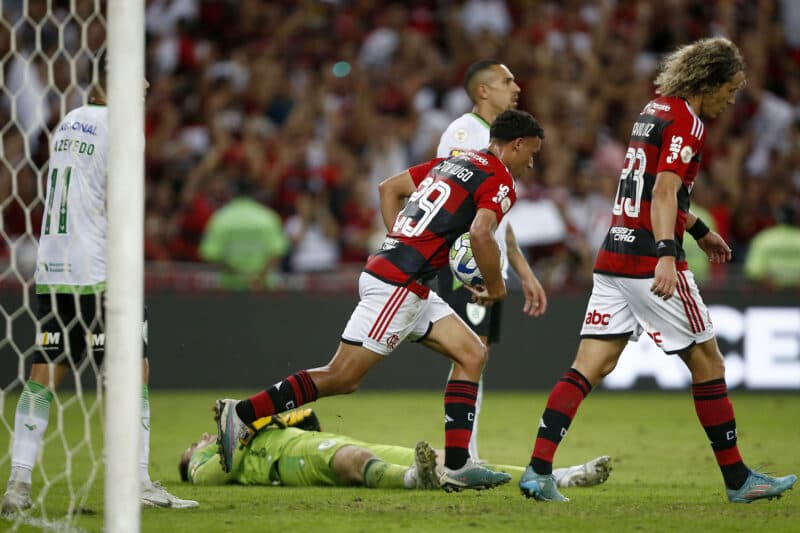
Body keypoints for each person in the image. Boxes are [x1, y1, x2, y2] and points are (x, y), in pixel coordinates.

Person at [518, 37, 797, 503]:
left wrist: (702, 229)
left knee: (591, 364)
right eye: (728, 90)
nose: (730, 101)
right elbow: (665, 192)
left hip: (614, 254)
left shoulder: (654, 110)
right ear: (706, 82)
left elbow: (650, 189)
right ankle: (739, 481)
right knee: (708, 363)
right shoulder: (688, 122)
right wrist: (669, 252)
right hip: (649, 257)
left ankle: (537, 470)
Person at [215, 109, 544, 492]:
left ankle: (457, 465)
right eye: (531, 154)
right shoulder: (499, 178)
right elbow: (482, 234)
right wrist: (497, 287)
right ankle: (242, 413)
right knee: (342, 376)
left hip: (409, 280)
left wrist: (402, 243)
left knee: (472, 353)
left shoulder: (455, 163)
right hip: (399, 285)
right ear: (516, 144)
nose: (531, 163)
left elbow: (389, 188)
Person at [1, 60, 198, 514]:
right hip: (99, 269)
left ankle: (18, 485)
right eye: (139, 75)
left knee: (45, 373)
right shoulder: (123, 126)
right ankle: (137, 482)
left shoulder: (70, 121)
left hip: (54, 264)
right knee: (133, 372)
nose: (147, 84)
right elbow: (119, 203)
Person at [436, 59, 548, 462]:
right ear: (483, 90)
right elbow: (461, 210)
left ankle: (464, 450)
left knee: (475, 354)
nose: (516, 86)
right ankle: (463, 453)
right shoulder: (465, 134)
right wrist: (468, 271)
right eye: (506, 81)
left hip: (488, 262)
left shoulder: (495, 139)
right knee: (470, 354)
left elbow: (495, 220)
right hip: (467, 265)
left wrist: (522, 270)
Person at [181, 409, 612, 490]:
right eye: (192, 448)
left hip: (311, 441)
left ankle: (552, 475)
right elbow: (215, 475)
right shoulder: (208, 464)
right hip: (287, 461)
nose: (198, 440)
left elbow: (306, 419)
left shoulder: (242, 431)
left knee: (456, 462)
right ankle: (413, 481)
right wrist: (249, 433)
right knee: (352, 463)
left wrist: (276, 418)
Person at [198, 183, 289, 290]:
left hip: (230, 288)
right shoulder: (268, 217)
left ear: (231, 194)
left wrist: (240, 276)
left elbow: (210, 254)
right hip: (262, 288)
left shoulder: (220, 218)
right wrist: (257, 277)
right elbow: (279, 251)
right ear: (254, 194)